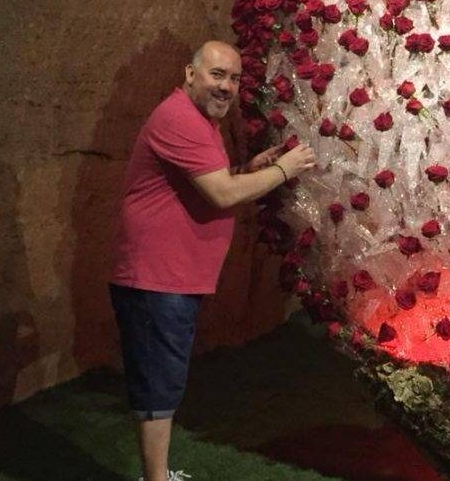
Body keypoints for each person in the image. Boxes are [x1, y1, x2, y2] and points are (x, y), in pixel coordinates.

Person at [109, 40, 316, 481]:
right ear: (189, 74)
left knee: (165, 378)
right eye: (216, 75)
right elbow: (221, 194)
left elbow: (212, 182)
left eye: (235, 79)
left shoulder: (203, 122)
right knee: (158, 383)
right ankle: (155, 479)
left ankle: (158, 474)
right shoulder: (181, 118)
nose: (227, 87)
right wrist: (284, 169)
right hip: (156, 276)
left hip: (174, 275)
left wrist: (247, 169)